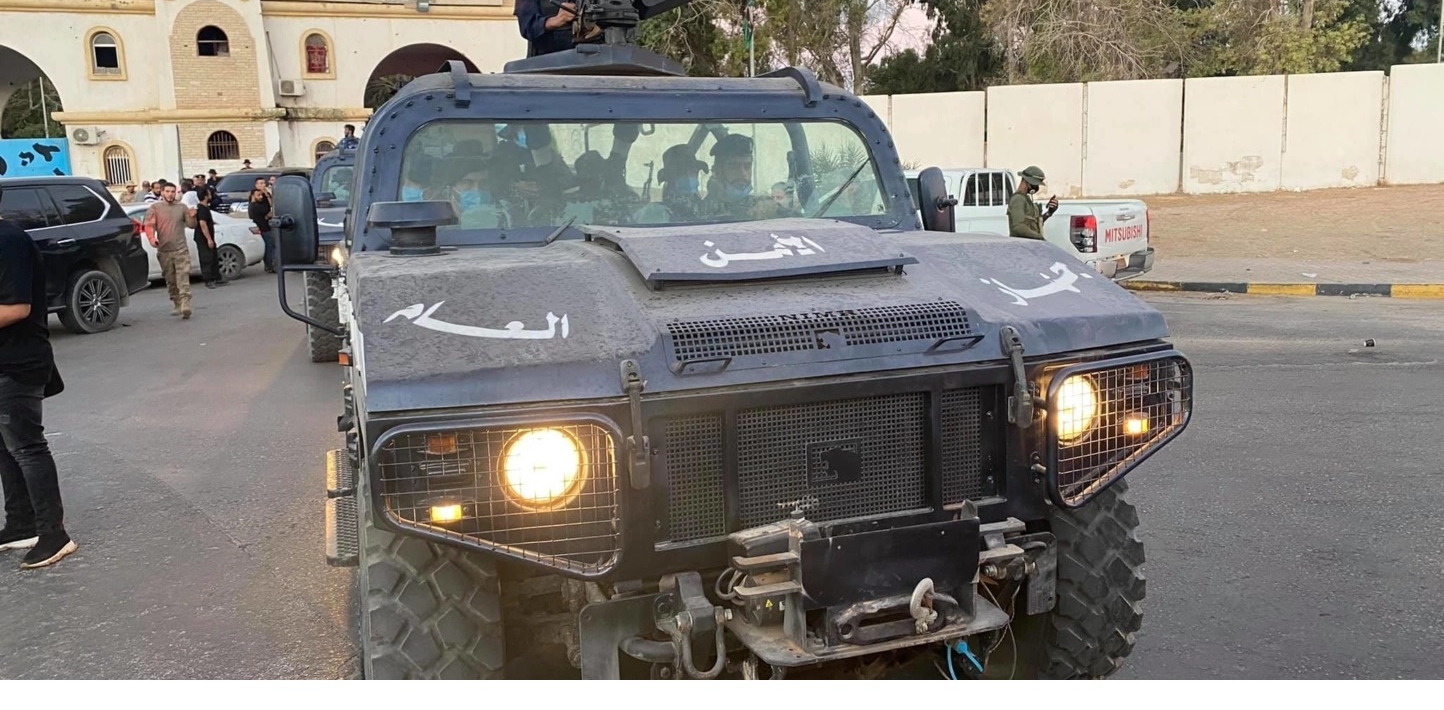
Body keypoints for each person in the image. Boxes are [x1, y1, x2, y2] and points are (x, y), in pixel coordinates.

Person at [0, 186, 77, 569]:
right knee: (5, 447)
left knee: (26, 447)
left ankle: (53, 533)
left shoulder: (8, 240)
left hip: (16, 362)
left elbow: (16, 308)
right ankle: (21, 523)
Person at [144, 184, 194, 319]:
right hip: (164, 250)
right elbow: (149, 225)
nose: (170, 194)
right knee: (170, 279)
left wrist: (192, 217)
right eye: (167, 191)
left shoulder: (182, 207)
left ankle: (185, 303)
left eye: (173, 191)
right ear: (162, 192)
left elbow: (191, 225)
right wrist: (152, 239)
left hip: (181, 249)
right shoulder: (155, 208)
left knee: (183, 277)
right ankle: (177, 302)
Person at [1007, 165, 1059, 240]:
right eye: (1035, 184)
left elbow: (1034, 223)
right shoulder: (1018, 199)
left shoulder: (1026, 199)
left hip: (1030, 244)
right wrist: (1039, 237)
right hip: (1022, 245)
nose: (1037, 187)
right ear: (1027, 182)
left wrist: (1049, 212)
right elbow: (1018, 227)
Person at [193, 190, 224, 289]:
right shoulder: (201, 209)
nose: (211, 196)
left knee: (214, 257)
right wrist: (209, 239)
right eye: (209, 194)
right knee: (206, 258)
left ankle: (216, 277)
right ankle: (208, 279)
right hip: (203, 238)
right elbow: (203, 224)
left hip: (209, 237)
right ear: (206, 196)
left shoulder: (205, 207)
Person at [248, 183, 275, 273]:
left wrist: (267, 195)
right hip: (263, 229)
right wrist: (268, 215)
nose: (260, 197)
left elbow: (270, 206)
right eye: (258, 195)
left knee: (270, 247)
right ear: (253, 195)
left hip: (266, 228)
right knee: (269, 248)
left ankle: (270, 265)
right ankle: (269, 266)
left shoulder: (260, 203)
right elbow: (269, 213)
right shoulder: (254, 206)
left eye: (261, 195)